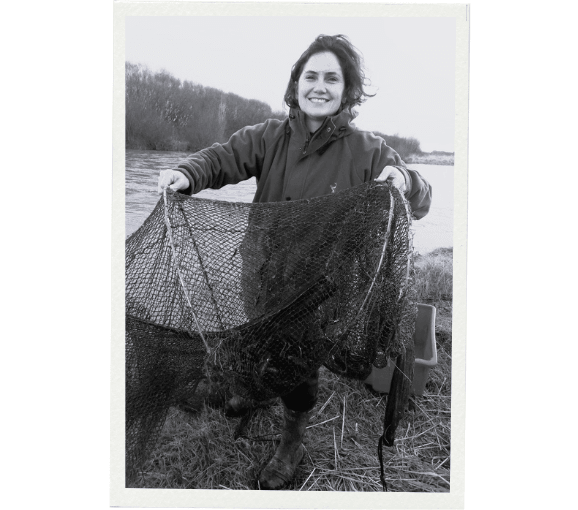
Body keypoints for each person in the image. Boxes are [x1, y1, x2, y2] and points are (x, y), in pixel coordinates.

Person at [158, 34, 432, 490]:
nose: (319, 86)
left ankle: (292, 439)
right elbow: (221, 159)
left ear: (347, 90)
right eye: (311, 76)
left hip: (323, 294)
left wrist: (404, 178)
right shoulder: (267, 137)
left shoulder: (370, 151)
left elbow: (421, 198)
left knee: (300, 367)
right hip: (261, 278)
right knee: (259, 348)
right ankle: (254, 390)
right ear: (296, 84)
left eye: (332, 78)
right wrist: (186, 173)